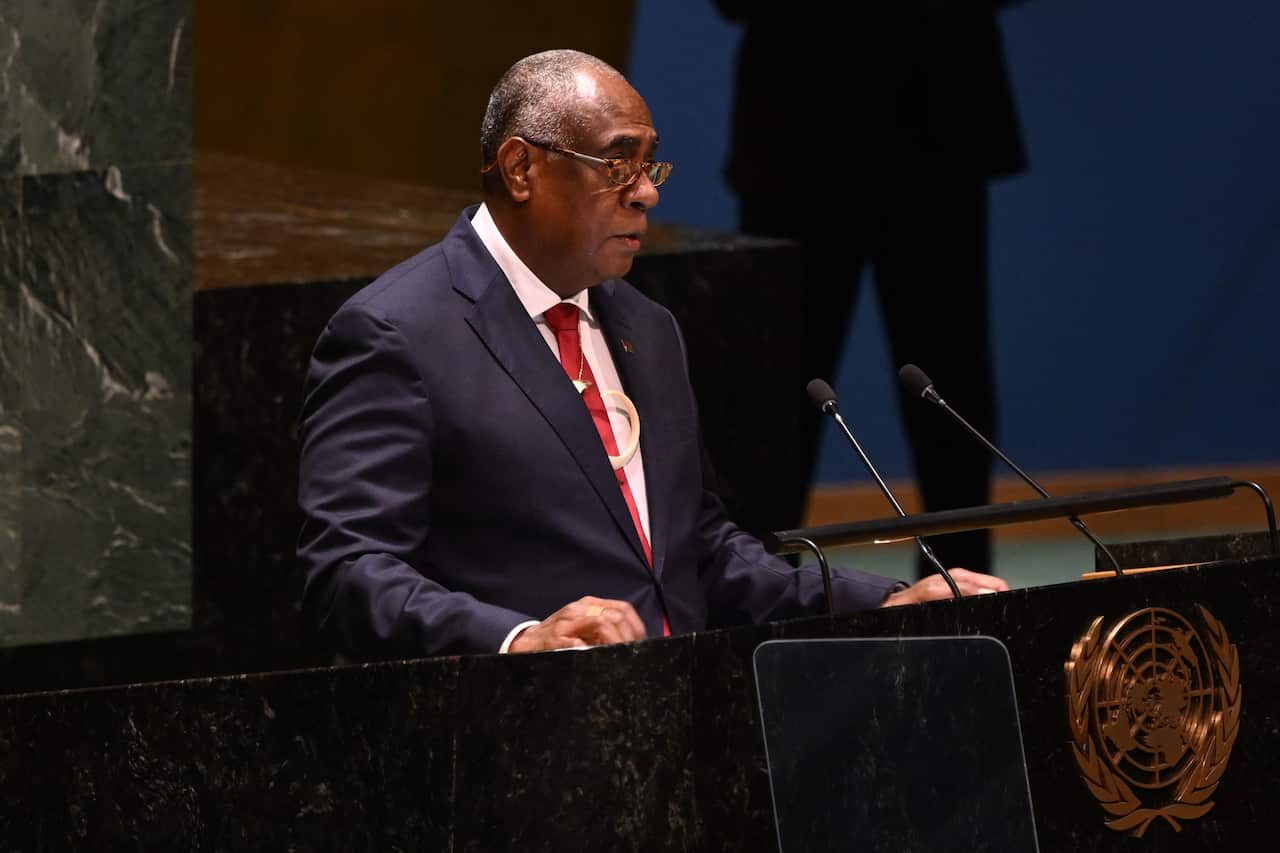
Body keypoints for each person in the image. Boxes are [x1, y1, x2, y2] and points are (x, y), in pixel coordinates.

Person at [296, 49, 1007, 659]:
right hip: (505, 751)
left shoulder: (648, 326)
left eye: (648, 166)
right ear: (520, 168)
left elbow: (696, 550)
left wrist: (879, 601)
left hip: (673, 735)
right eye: (617, 164)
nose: (644, 194)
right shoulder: (397, 333)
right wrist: (519, 637)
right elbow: (349, 572)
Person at [712, 1, 1028, 577]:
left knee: (949, 386)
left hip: (935, 123)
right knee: (780, 393)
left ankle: (963, 593)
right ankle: (746, 592)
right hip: (798, 126)